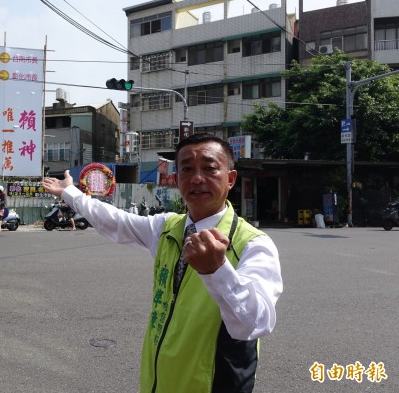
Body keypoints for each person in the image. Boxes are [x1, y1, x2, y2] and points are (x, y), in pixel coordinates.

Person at [41, 134, 282, 392]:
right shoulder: (167, 226)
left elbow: (256, 323)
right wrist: (69, 191)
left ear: (230, 179)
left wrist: (217, 271)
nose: (197, 178)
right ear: (177, 179)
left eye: (210, 168)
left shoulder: (253, 244)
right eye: (187, 169)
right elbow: (114, 220)